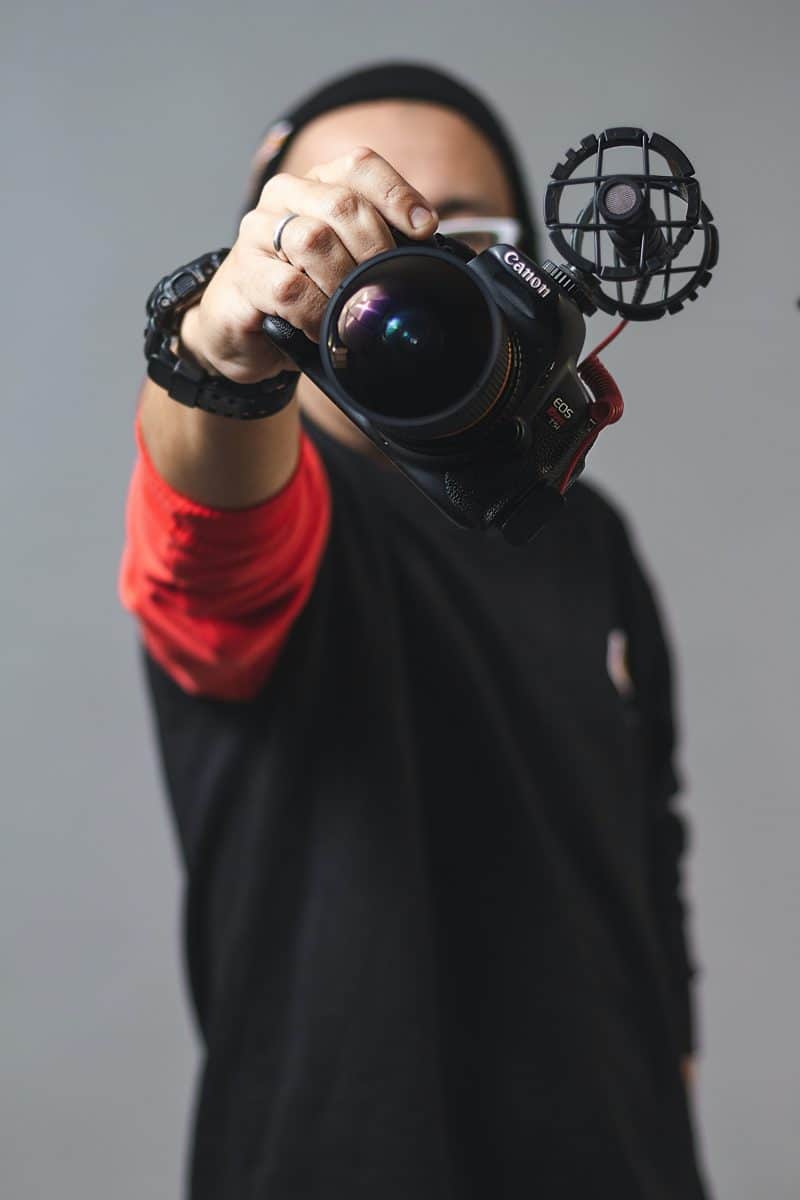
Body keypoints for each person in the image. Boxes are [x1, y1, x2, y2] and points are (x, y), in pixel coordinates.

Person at [118, 62, 710, 1199]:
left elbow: (648, 830)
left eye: (458, 234)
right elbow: (204, 534)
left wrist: (667, 1074)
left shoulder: (588, 538)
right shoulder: (276, 507)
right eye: (341, 232)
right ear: (270, 272)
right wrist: (216, 359)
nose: (404, 279)